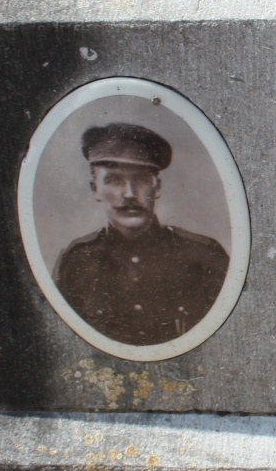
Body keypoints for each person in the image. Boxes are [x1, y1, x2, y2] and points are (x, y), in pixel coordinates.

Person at [54, 122, 229, 346]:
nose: (129, 193)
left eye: (141, 180)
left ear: (158, 188)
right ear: (95, 189)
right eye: (114, 180)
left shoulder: (204, 256)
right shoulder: (76, 261)